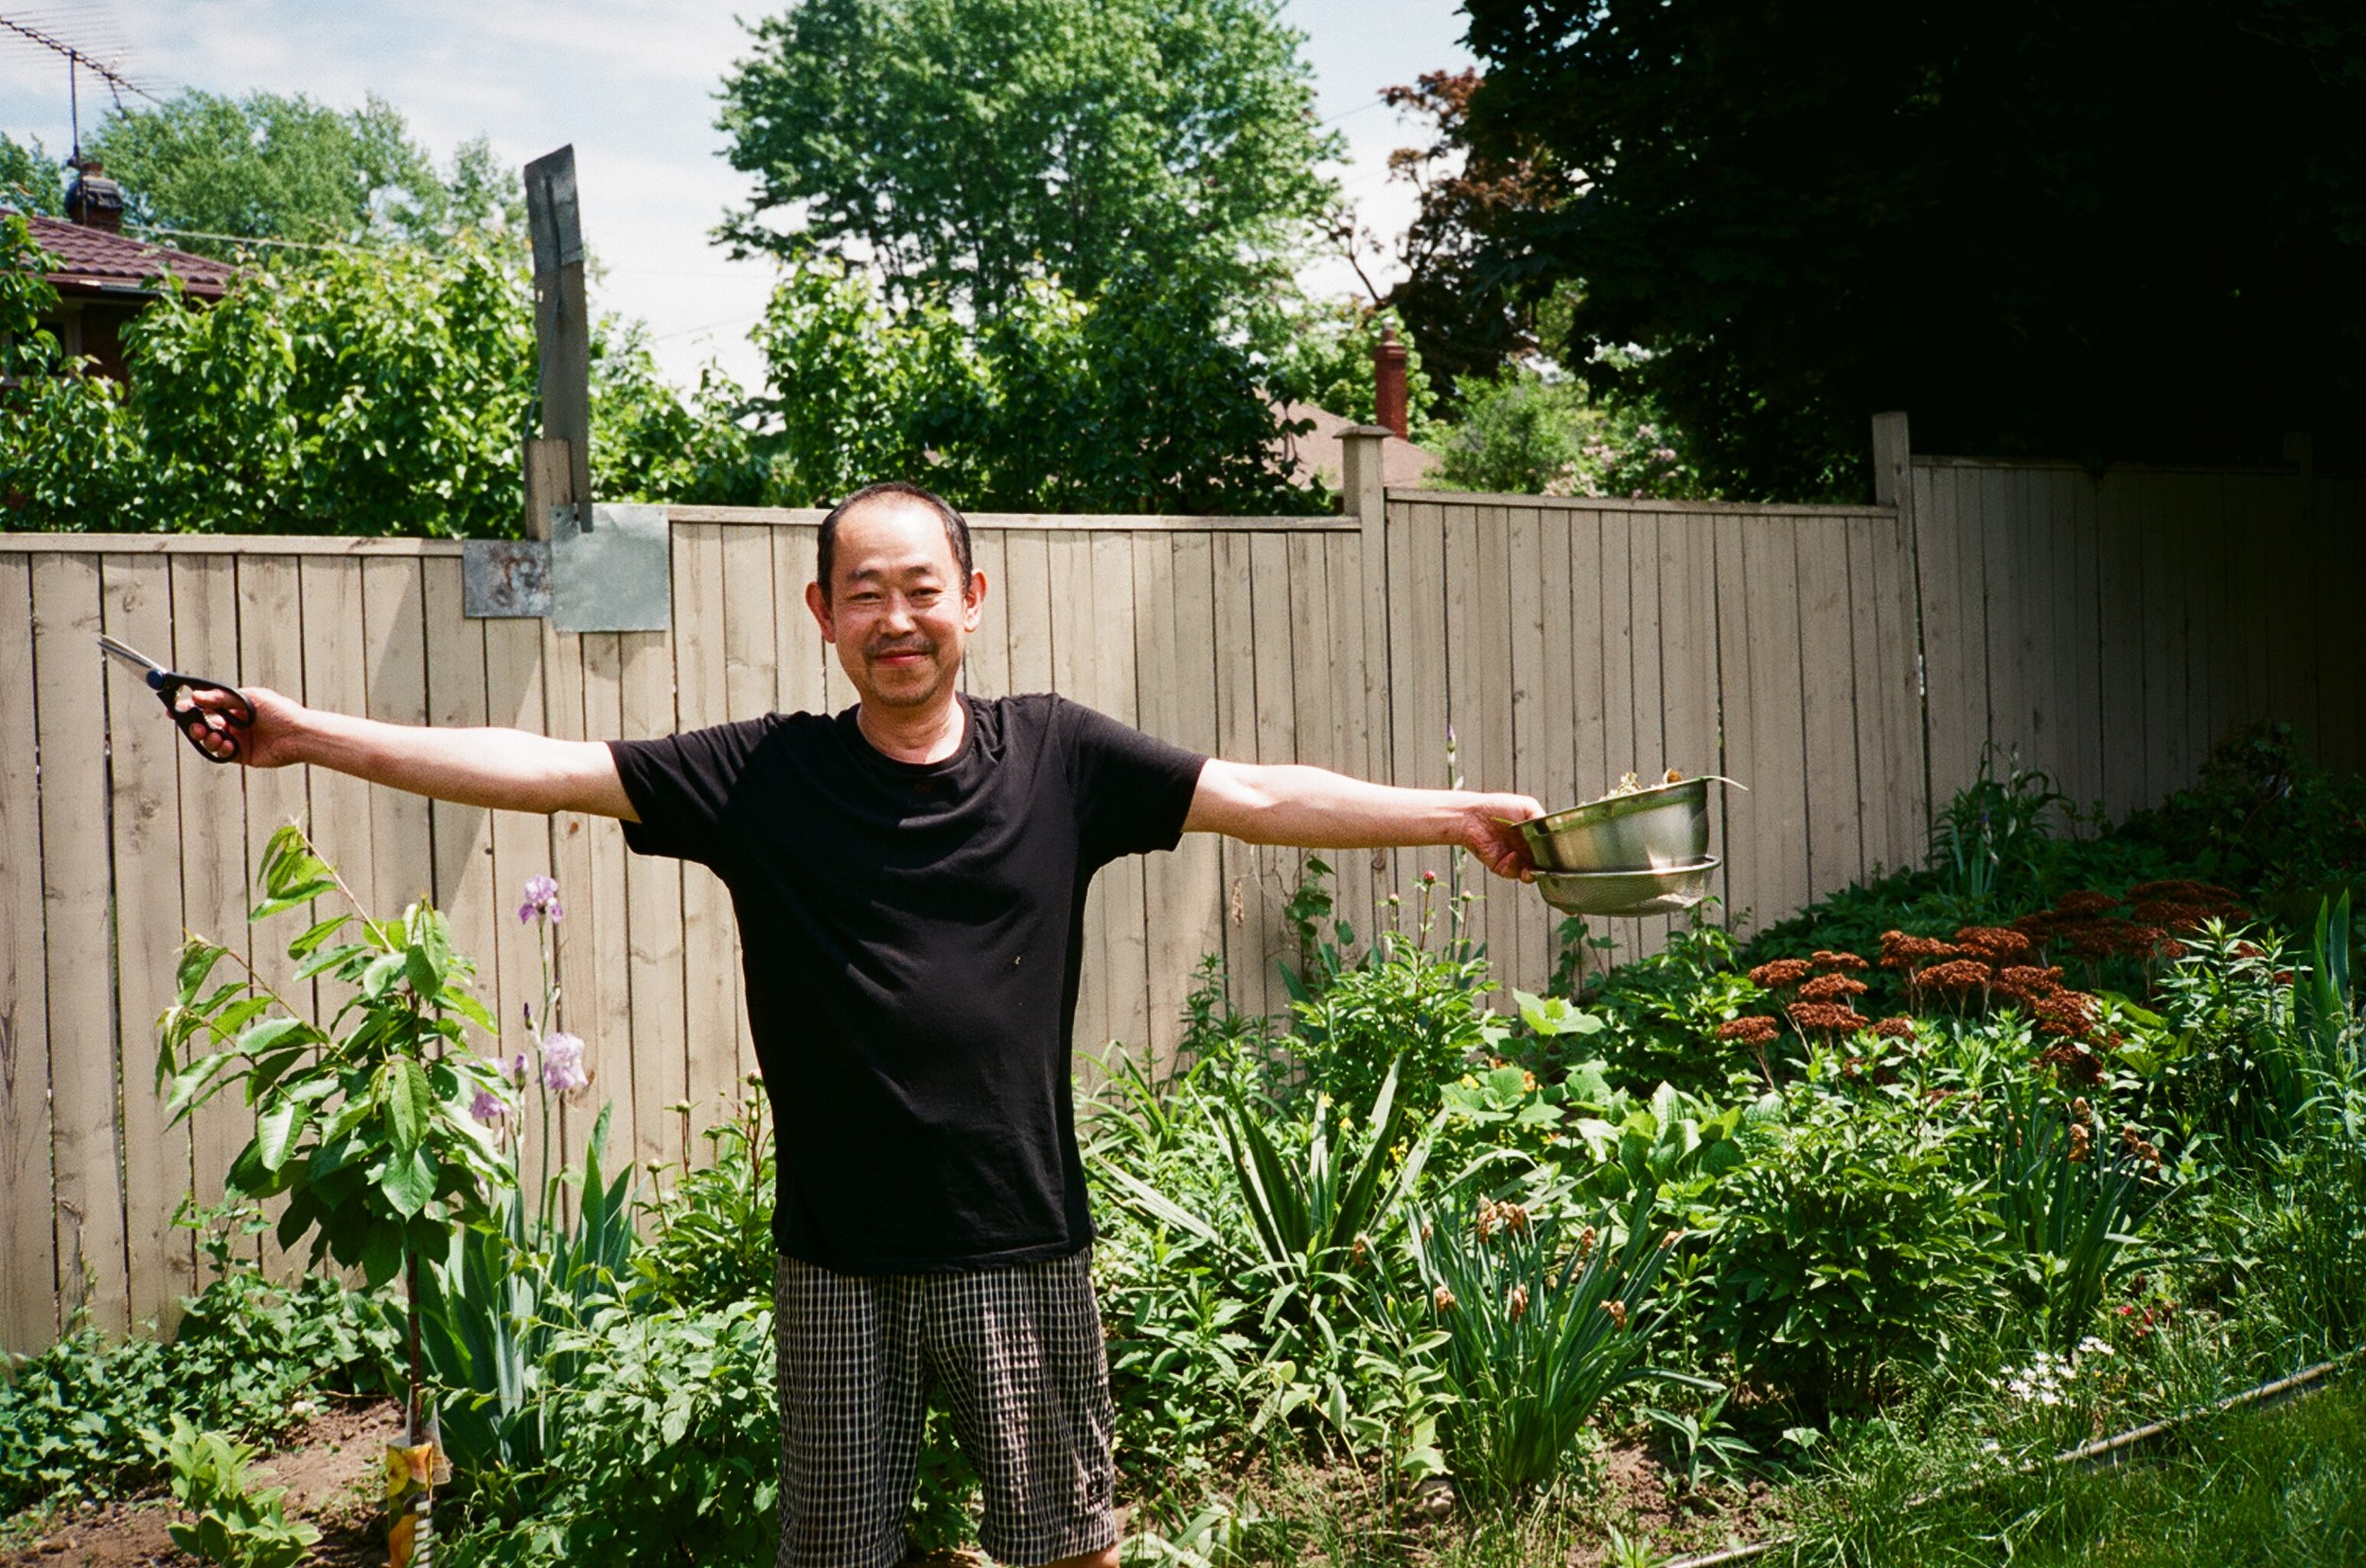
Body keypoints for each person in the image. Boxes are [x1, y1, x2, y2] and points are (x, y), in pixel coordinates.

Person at [180, 480, 1543, 1568]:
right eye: (867, 595)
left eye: (923, 590)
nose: (899, 619)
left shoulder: (1059, 756)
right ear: (824, 613)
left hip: (1018, 1238)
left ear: (974, 601)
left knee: (1070, 1548)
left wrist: (1455, 816)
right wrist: (310, 738)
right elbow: (545, 765)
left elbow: (1255, 793)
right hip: (835, 1259)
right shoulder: (764, 776)